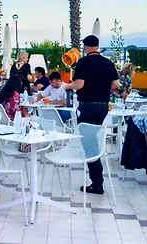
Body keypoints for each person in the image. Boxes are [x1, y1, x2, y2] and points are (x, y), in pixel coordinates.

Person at [62, 35, 120, 195]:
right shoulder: (108, 63)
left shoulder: (83, 62)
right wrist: (102, 88)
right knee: (94, 140)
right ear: (98, 46)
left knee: (89, 144)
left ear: (85, 47)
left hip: (87, 106)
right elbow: (116, 84)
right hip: (103, 106)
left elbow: (79, 84)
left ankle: (97, 182)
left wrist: (68, 86)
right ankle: (97, 179)